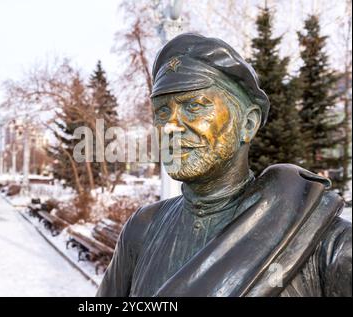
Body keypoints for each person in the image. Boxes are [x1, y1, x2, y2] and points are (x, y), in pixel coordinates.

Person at [96, 33, 351, 297]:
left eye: (194, 106)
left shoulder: (327, 245)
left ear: (248, 124)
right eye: (162, 112)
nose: (169, 127)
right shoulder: (141, 229)